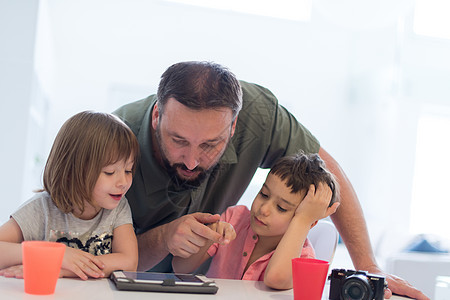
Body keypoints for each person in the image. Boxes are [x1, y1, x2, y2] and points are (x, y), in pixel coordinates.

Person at [113, 61, 429, 299]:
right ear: (157, 116)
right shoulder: (113, 137)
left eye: (210, 145)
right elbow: (89, 250)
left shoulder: (259, 116)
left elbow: (330, 180)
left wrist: (368, 267)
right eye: (178, 140)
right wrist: (165, 237)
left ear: (234, 126)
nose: (192, 161)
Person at [0, 111, 140, 280]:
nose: (123, 182)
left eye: (128, 170)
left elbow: (129, 261)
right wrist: (57, 255)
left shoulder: (118, 208)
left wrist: (65, 269)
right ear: (71, 171)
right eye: (110, 172)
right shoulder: (42, 208)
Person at [173, 152, 339, 290]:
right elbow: (180, 268)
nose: (263, 209)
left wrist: (303, 220)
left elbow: (276, 278)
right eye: (264, 194)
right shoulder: (234, 219)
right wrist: (210, 235)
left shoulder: (303, 258)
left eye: (281, 208)